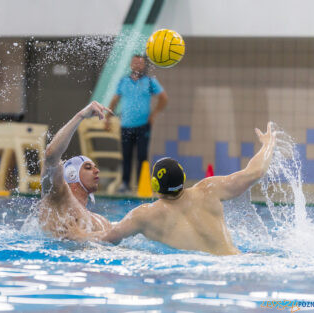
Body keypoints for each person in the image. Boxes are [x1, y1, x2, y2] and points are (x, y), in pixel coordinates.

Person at [96, 122, 276, 256]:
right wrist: (268, 144)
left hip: (202, 273)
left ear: (155, 185)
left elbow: (109, 238)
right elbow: (256, 172)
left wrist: (77, 234)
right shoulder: (209, 189)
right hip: (238, 260)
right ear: (183, 177)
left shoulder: (144, 215)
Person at [39, 101, 113, 240]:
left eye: (95, 167)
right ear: (71, 175)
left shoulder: (101, 221)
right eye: (88, 167)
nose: (96, 171)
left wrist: (82, 237)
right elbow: (50, 155)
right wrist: (80, 116)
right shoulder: (57, 198)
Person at [106, 55, 168, 193]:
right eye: (135, 62)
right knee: (126, 156)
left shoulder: (150, 82)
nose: (137, 65)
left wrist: (154, 113)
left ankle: (142, 184)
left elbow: (164, 97)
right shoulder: (123, 81)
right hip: (126, 126)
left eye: (140, 63)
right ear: (131, 65)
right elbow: (115, 100)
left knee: (142, 156)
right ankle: (125, 184)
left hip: (143, 125)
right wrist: (107, 118)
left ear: (144, 65)